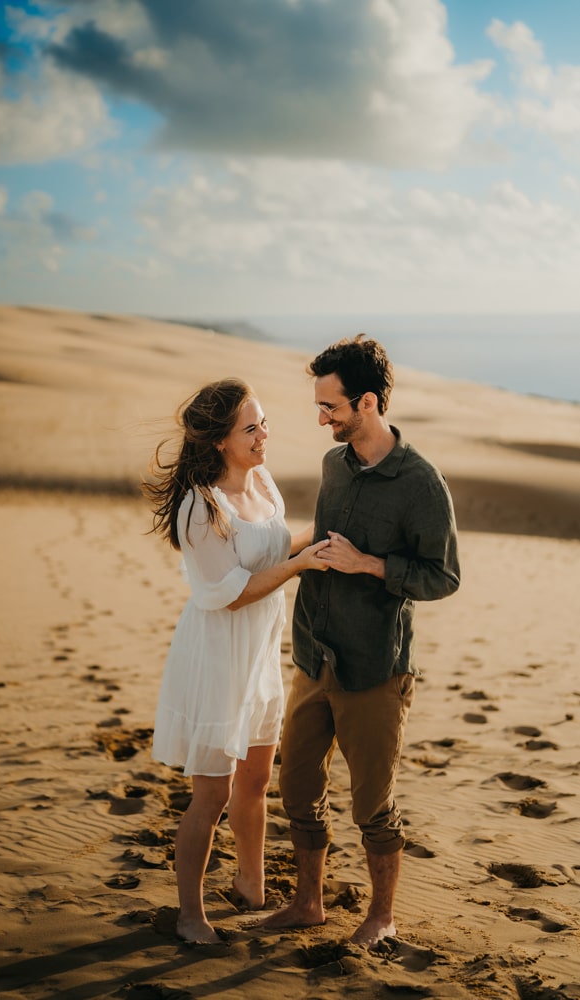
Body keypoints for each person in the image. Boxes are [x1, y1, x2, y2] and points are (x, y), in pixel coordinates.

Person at [260, 335, 460, 948]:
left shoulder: (421, 484)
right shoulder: (332, 466)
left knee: (372, 805)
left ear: (367, 403)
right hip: (313, 655)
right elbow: (323, 542)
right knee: (296, 787)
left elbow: (443, 576)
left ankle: (381, 916)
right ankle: (309, 903)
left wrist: (369, 565)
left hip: (375, 668)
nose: (321, 419)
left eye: (331, 408)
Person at [143, 377, 329, 945]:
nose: (264, 434)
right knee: (213, 794)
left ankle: (251, 885)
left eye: (264, 422)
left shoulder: (263, 481)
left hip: (259, 656)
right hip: (217, 659)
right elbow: (227, 591)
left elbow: (275, 548)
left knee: (253, 780)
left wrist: (322, 537)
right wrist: (302, 567)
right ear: (221, 440)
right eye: (251, 428)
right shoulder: (201, 507)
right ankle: (190, 914)